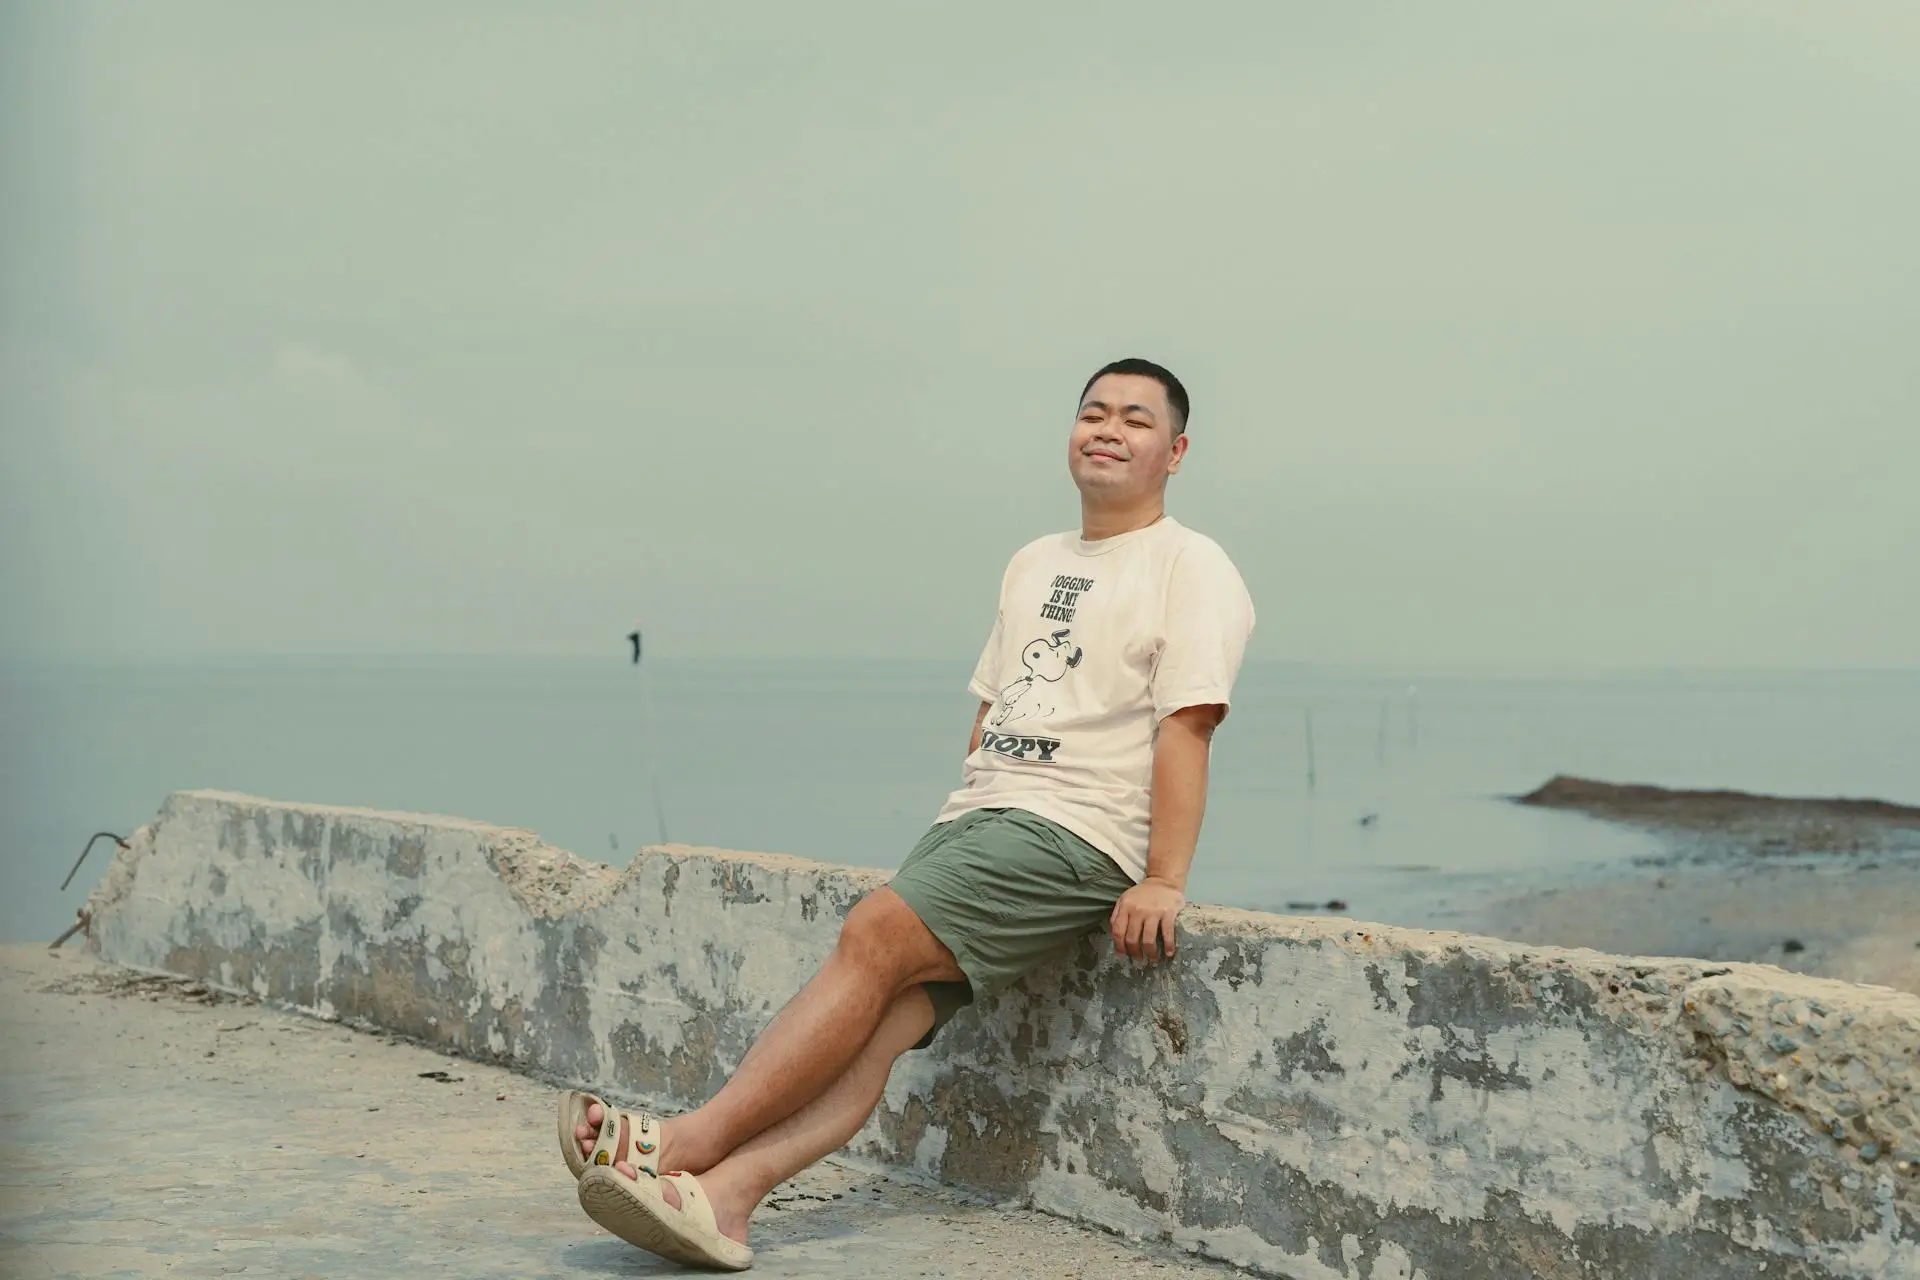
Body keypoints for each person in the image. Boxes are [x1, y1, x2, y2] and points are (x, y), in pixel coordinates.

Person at [562, 357, 1256, 1270]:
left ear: (1176, 450)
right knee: (884, 1024)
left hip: (1075, 832)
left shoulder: (1190, 564)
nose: (1109, 431)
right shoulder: (1035, 560)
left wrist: (1164, 876)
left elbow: (1187, 725)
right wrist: (969, 804)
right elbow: (991, 705)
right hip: (985, 817)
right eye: (1094, 413)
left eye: (1136, 419)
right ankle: (726, 1203)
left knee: (874, 934)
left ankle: (682, 1147)